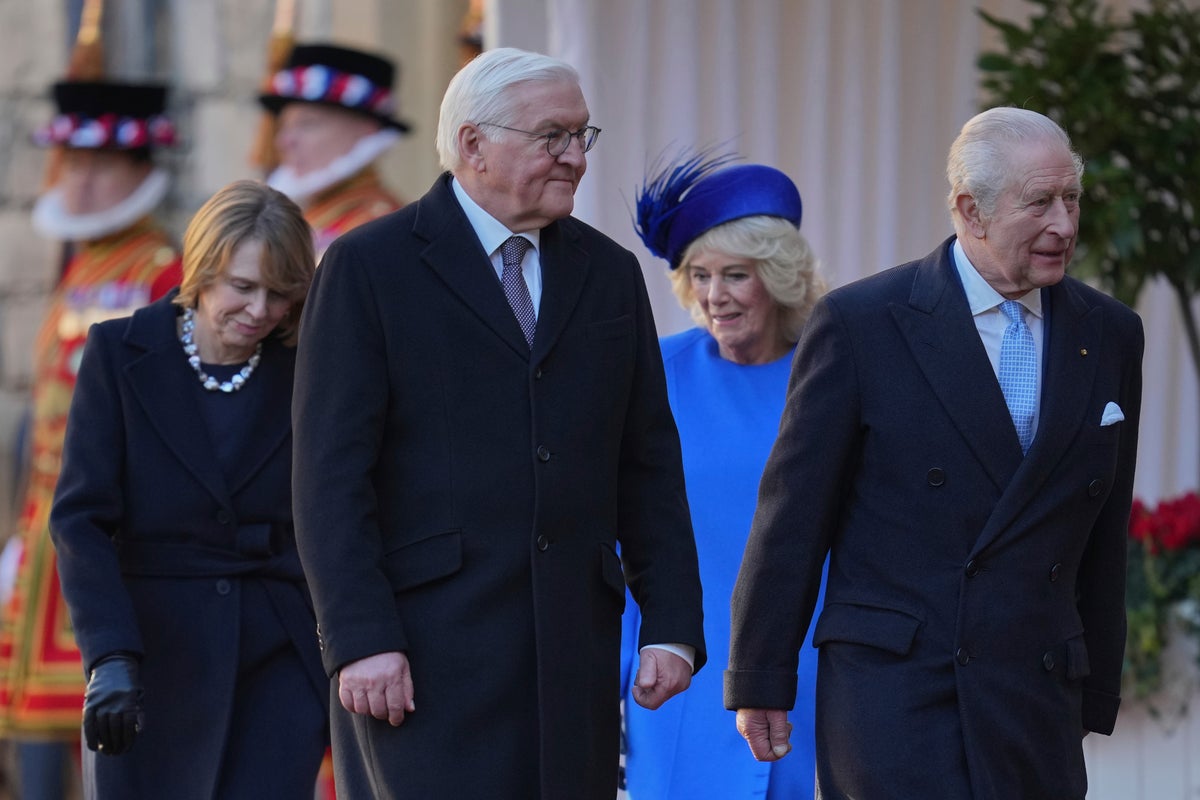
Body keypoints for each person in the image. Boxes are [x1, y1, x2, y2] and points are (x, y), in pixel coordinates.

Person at [291, 47, 706, 800]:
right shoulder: (369, 267)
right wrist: (361, 640)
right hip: (419, 660)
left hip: (570, 652)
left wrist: (671, 623)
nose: (576, 158)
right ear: (474, 145)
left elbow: (646, 458)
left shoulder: (608, 274)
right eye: (553, 136)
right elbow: (329, 477)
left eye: (583, 136)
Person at [725, 106, 1144, 799]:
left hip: (1034, 688)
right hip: (897, 692)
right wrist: (760, 676)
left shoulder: (1110, 332)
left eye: (1072, 199)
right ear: (969, 211)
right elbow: (793, 517)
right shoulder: (864, 324)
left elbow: (1103, 529)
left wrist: (1095, 683)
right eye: (1039, 203)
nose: (1065, 226)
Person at [48, 179, 326, 799]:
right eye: (243, 287)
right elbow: (80, 520)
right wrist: (110, 655)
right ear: (200, 271)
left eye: (280, 294)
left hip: (277, 656)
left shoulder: (308, 369)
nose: (261, 310)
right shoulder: (118, 354)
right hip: (150, 657)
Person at [620, 152, 826, 799]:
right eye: (700, 275)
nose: (714, 295)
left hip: (810, 666)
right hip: (681, 673)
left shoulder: (828, 376)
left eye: (736, 275)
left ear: (780, 277)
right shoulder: (657, 372)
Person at [0, 79, 183, 800]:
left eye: (99, 164)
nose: (79, 180)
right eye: (71, 163)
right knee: (32, 740)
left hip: (108, 532)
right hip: (45, 534)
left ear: (141, 168)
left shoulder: (159, 269)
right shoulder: (79, 266)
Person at [258, 42, 409, 257]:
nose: (284, 141)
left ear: (366, 131)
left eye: (307, 124)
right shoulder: (311, 213)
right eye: (284, 126)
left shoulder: (379, 227)